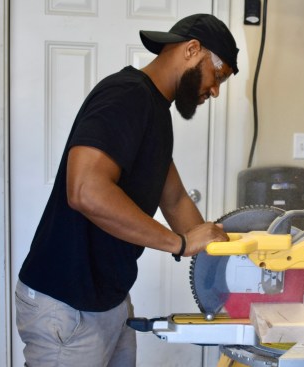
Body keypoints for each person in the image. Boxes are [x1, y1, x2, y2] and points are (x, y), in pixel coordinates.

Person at [15, 13, 237, 366]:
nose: (215, 90)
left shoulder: (155, 112)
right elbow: (85, 190)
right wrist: (179, 244)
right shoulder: (127, 95)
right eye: (219, 75)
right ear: (192, 50)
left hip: (108, 300)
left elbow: (176, 199)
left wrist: (235, 257)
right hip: (67, 305)